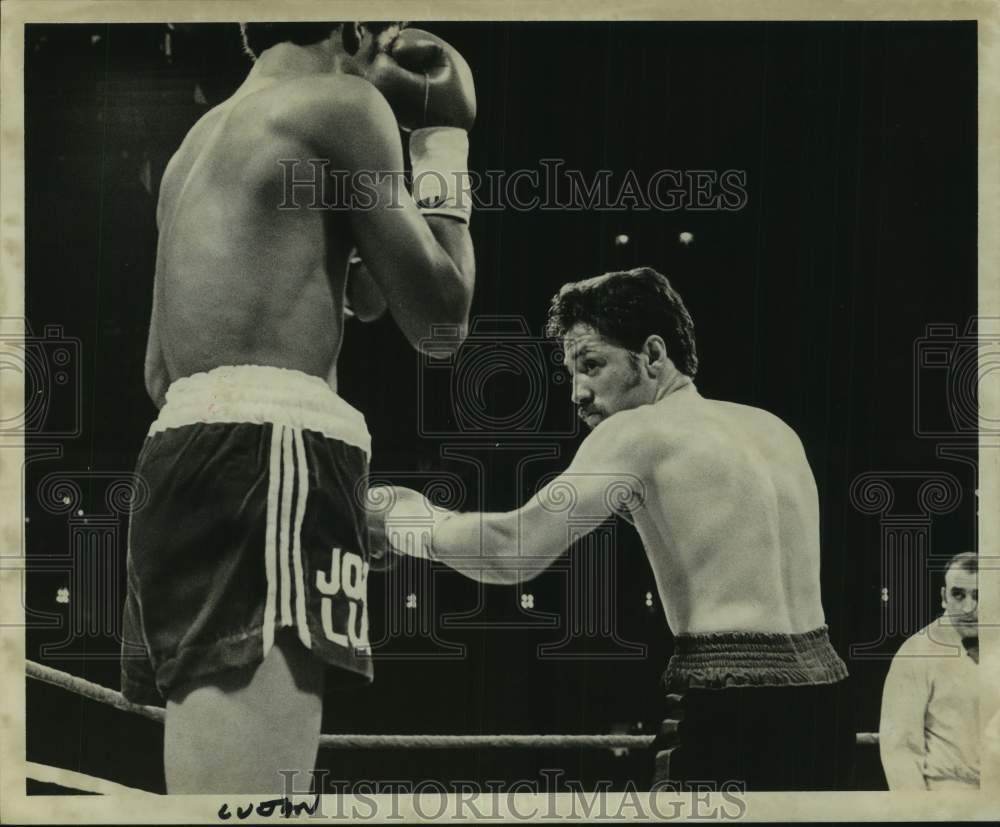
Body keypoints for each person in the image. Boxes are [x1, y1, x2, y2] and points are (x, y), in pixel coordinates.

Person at [120, 22, 477, 793]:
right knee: (252, 807)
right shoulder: (345, 105)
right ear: (354, 27)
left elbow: (158, 368)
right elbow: (441, 320)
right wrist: (444, 142)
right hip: (269, 458)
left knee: (208, 796)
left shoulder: (196, 146)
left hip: (178, 467)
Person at [374, 266, 851, 791]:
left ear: (651, 355)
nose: (578, 393)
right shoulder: (773, 429)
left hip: (728, 704)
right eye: (571, 373)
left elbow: (513, 551)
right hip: (824, 699)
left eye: (592, 364)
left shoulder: (637, 432)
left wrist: (405, 519)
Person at [878, 551, 980, 790]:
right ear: (944, 597)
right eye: (958, 594)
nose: (969, 607)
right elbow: (900, 749)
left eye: (979, 595)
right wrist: (921, 813)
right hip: (947, 796)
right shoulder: (916, 651)